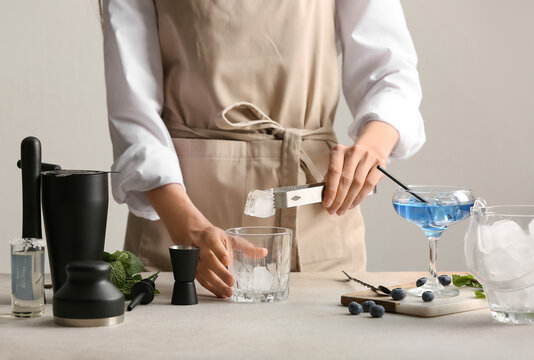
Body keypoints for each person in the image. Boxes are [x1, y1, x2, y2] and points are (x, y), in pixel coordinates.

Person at [102, 0, 425, 298]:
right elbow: (133, 109)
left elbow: (389, 71)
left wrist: (374, 144)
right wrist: (190, 229)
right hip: (181, 214)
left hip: (315, 207)